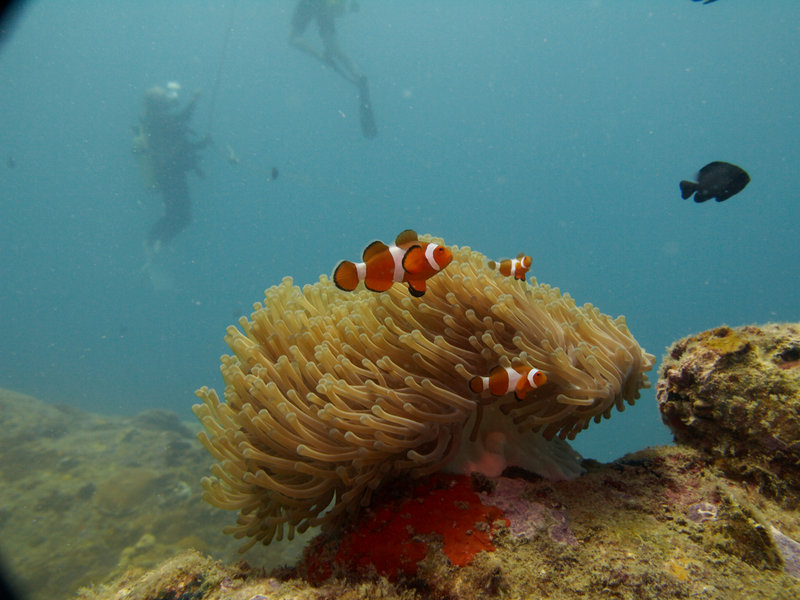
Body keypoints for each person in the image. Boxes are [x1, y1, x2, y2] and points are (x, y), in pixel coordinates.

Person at [132, 83, 210, 256]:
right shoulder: (157, 120)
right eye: (163, 98)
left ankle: (150, 241)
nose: (167, 100)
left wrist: (199, 145)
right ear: (156, 103)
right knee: (183, 217)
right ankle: (158, 243)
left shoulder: (154, 121)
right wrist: (194, 100)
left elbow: (177, 137)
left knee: (173, 214)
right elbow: (181, 119)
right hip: (172, 174)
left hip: (167, 174)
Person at [289, 0, 377, 138]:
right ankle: (359, 77)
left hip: (311, 3)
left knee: (293, 38)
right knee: (333, 47)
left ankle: (323, 58)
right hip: (327, 5)